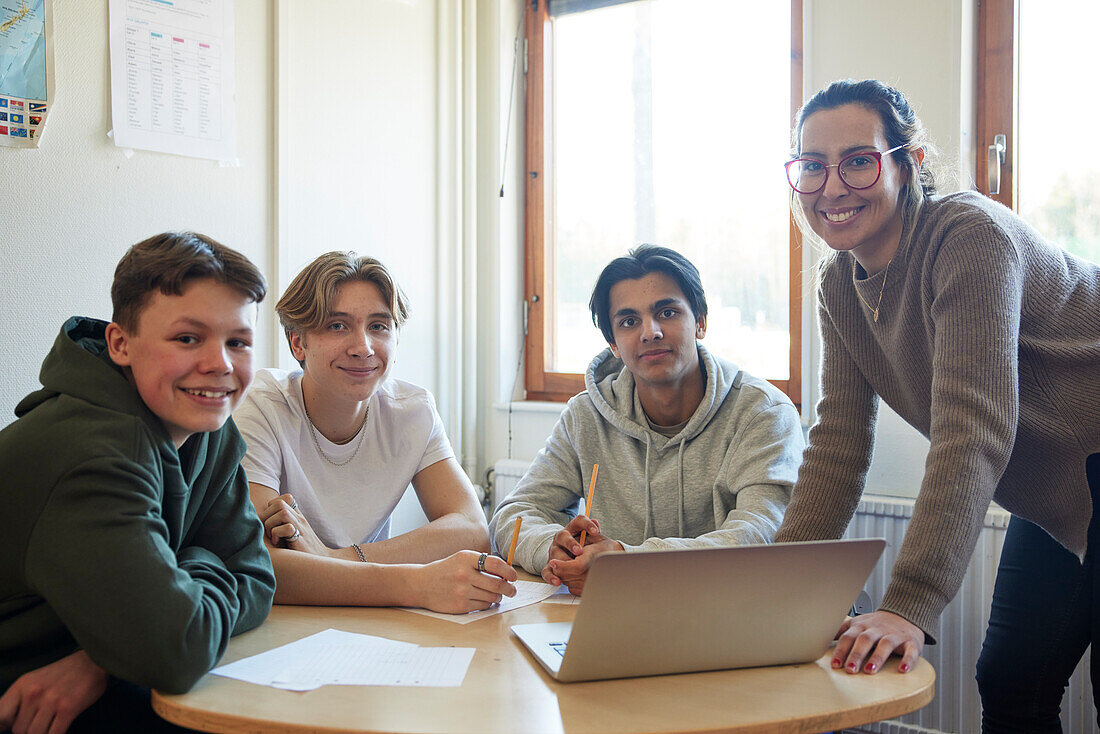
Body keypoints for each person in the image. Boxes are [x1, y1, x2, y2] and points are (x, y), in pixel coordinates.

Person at [776, 78, 1100, 730]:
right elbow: (838, 440)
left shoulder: (967, 236)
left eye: (859, 160)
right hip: (1058, 496)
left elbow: (972, 426)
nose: (832, 186)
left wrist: (908, 604)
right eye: (812, 165)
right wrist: (776, 586)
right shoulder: (839, 286)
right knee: (1012, 678)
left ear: (909, 162)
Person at [0, 232, 276, 732]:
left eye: (238, 341)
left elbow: (256, 578)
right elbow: (174, 652)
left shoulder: (204, 424)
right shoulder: (93, 454)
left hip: (102, 673)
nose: (220, 364)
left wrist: (97, 661)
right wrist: (203, 564)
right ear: (120, 343)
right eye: (188, 338)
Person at [490, 245, 804, 594]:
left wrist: (627, 562)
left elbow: (761, 536)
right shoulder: (587, 415)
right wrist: (553, 546)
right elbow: (512, 516)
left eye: (667, 312)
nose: (650, 332)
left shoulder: (763, 413)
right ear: (613, 343)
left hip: (729, 612)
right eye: (628, 322)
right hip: (613, 615)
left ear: (700, 322)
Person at [234, 252, 517, 614]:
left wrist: (334, 559)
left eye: (379, 326)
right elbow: (262, 565)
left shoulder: (412, 410)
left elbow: (471, 528)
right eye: (337, 325)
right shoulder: (260, 406)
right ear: (298, 343)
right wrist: (416, 585)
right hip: (286, 621)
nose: (363, 347)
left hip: (372, 619)